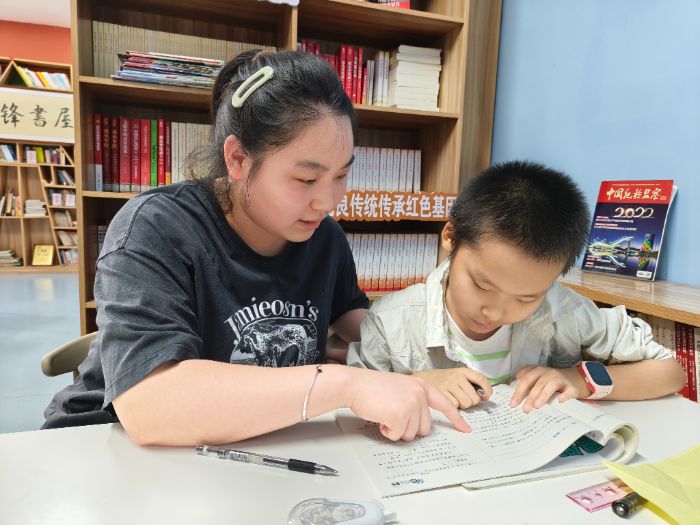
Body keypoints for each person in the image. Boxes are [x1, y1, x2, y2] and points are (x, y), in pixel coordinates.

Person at [43, 50, 468, 444]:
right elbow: (148, 405)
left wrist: (418, 369)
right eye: (306, 179)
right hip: (102, 442)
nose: (327, 201)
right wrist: (347, 384)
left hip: (248, 443)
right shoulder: (156, 228)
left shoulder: (323, 236)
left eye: (341, 175)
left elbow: (356, 320)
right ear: (238, 160)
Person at [347, 161, 686, 411]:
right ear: (451, 236)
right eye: (482, 286)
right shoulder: (392, 321)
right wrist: (416, 383)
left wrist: (579, 380)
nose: (495, 312)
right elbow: (351, 399)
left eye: (526, 298)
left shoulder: (565, 311)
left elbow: (670, 373)